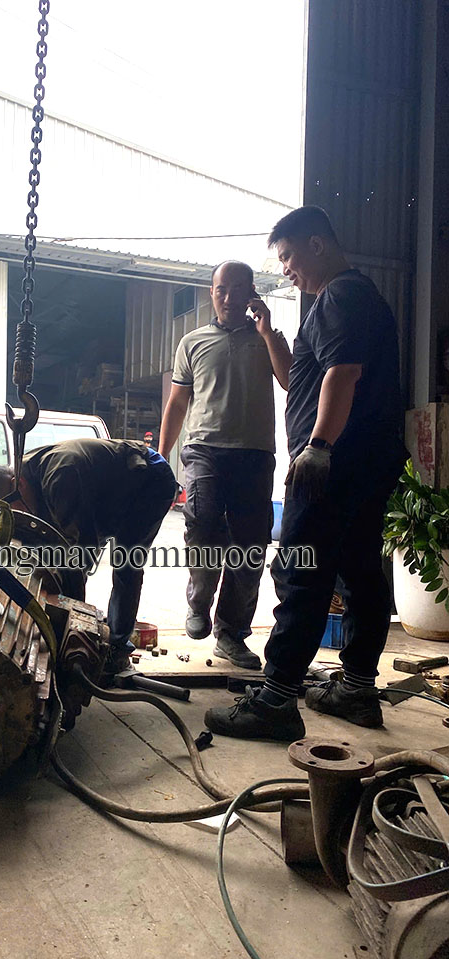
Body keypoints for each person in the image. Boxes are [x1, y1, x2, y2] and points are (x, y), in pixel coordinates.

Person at [205, 206, 406, 741]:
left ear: (318, 244)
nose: (286, 269)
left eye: (289, 256)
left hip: (333, 465)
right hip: (364, 460)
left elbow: (343, 373)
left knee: (302, 570)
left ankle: (276, 700)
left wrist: (318, 447)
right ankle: (358, 689)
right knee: (359, 570)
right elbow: (301, 381)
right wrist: (269, 332)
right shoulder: (352, 298)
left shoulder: (340, 295)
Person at [158, 261, 292, 669]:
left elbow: (290, 380)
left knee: (250, 547)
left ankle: (231, 634)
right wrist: (160, 459)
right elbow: (177, 404)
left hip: (254, 454)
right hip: (205, 450)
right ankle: (199, 602)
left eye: (238, 289)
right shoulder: (192, 342)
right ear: (211, 293)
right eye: (222, 289)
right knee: (202, 525)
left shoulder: (267, 338)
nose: (230, 298)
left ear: (252, 292)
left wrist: (268, 332)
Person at [0, 438, 177, 672]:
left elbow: (80, 559)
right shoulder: (26, 477)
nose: (14, 518)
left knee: (126, 563)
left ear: (17, 483)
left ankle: (118, 650)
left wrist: (71, 623)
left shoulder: (61, 479)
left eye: (11, 510)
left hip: (149, 480)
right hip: (106, 491)